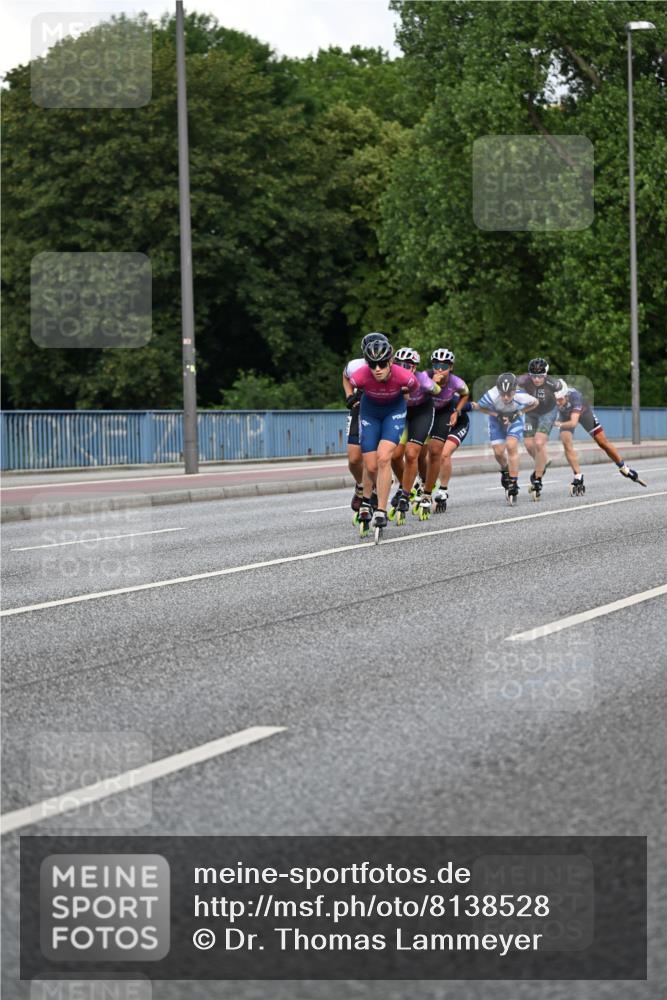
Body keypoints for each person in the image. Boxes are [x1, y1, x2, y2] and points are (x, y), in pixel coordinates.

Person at [347, 337, 419, 533]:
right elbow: (347, 379)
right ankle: (365, 501)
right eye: (372, 364)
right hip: (370, 413)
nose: (377, 369)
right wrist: (350, 397)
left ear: (390, 362)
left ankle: (381, 509)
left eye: (381, 364)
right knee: (370, 465)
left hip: (393, 413)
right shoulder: (360, 375)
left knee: (384, 457)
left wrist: (404, 393)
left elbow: (414, 387)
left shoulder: (404, 376)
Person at [553, 381, 646, 492]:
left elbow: (573, 423)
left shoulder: (575, 398)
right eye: (556, 400)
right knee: (566, 443)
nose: (558, 402)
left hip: (583, 414)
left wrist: (558, 423)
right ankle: (578, 476)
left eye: (560, 400)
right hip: (565, 415)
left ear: (566, 396)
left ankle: (623, 467)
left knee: (602, 442)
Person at [387, 347, 446, 523]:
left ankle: (406, 494)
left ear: (414, 367)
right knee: (395, 456)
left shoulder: (421, 378)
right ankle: (409, 484)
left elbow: (437, 391)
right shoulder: (392, 377)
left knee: (412, 454)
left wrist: (433, 383)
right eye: (398, 364)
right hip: (403, 414)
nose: (402, 367)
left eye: (407, 365)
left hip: (422, 414)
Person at [420, 348, 471, 518]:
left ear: (451, 367)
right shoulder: (425, 377)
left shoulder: (456, 382)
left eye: (444, 365)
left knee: (441, 453)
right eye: (436, 365)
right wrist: (431, 384)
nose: (439, 369)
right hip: (429, 413)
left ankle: (442, 489)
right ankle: (423, 481)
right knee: (422, 454)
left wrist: (457, 411)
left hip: (450, 417)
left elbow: (466, 394)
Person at [472, 373, 539, 502]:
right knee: (498, 452)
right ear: (498, 390)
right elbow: (479, 407)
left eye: (509, 394)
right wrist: (496, 415)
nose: (506, 397)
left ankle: (513, 482)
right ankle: (505, 469)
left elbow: (535, 403)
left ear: (515, 390)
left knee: (511, 445)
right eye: (503, 394)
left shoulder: (522, 396)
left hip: (515, 418)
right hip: (496, 419)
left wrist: (520, 412)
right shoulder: (491, 395)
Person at [342, 333, 386, 514]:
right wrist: (350, 395)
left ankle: (373, 489)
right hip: (360, 408)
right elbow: (345, 376)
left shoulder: (390, 365)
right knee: (353, 459)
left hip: (381, 408)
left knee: (374, 458)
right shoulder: (355, 365)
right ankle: (361, 486)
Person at [517, 357, 563, 500]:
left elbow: (563, 398)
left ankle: (537, 479)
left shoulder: (554, 383)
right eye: (534, 376)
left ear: (546, 374)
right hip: (530, 412)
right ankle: (543, 461)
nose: (536, 379)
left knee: (538, 443)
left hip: (548, 412)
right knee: (529, 445)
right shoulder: (523, 381)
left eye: (540, 376)